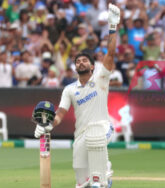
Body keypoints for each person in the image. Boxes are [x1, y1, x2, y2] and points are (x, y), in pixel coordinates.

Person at [34, 3, 120, 188]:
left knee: (97, 177)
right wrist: (48, 125)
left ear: (92, 66)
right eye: (78, 61)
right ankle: (103, 172)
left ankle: (103, 175)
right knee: (82, 184)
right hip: (80, 135)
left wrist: (112, 27)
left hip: (102, 127)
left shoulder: (100, 78)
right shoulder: (70, 89)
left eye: (84, 61)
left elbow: (111, 53)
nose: (80, 63)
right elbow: (61, 114)